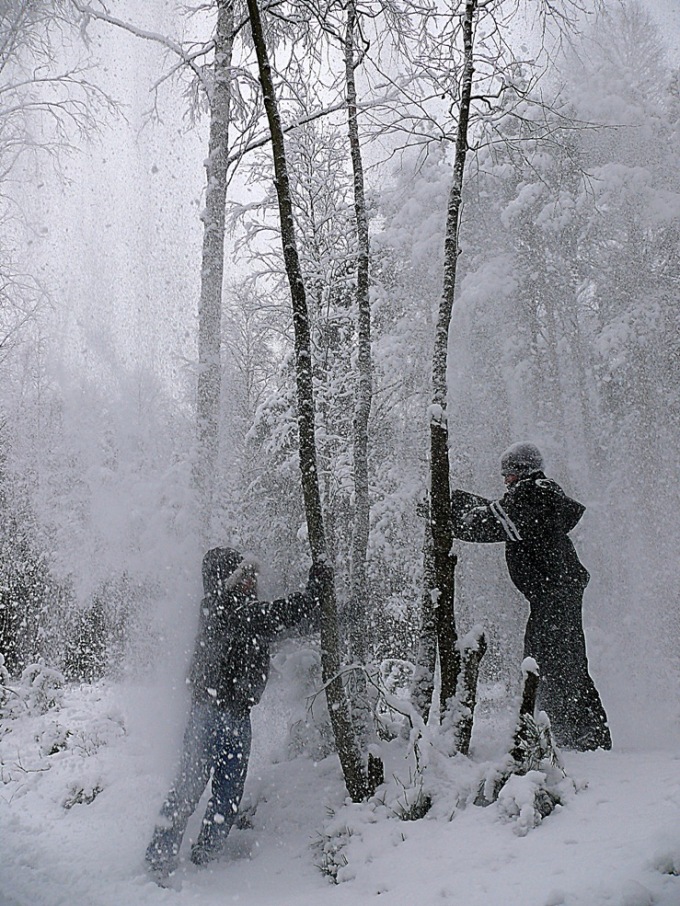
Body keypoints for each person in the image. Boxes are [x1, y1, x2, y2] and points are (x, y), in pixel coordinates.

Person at [145, 547, 328, 880]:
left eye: (252, 576)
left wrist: (329, 610)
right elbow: (274, 616)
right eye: (245, 576)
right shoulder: (219, 609)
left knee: (228, 793)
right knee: (190, 786)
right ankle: (159, 858)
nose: (252, 581)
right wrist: (310, 595)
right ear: (225, 580)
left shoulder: (249, 614)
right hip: (208, 713)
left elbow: (286, 623)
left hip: (237, 715)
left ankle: (207, 859)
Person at [450, 442, 611, 752]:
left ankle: (581, 739)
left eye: (508, 475)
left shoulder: (534, 496)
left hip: (554, 598)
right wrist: (457, 501)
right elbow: (495, 512)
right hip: (554, 596)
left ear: (521, 472)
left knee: (551, 664)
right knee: (559, 662)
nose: (505, 481)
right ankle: (574, 735)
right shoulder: (539, 494)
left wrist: (445, 511)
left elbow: (489, 523)